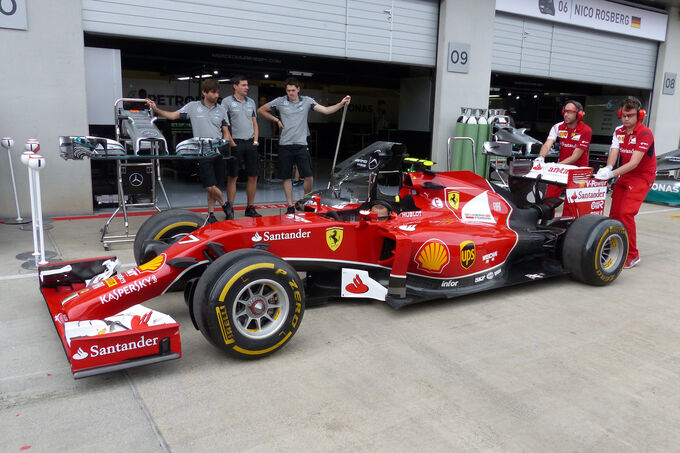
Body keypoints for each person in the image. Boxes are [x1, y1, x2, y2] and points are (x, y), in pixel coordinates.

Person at [258, 77, 350, 214]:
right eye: (288, 90)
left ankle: (306, 200)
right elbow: (261, 110)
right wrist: (276, 119)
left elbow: (325, 110)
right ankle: (290, 205)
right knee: (286, 177)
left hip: (301, 144)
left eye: (293, 90)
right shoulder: (280, 101)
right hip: (285, 144)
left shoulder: (307, 101)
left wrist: (341, 104)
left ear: (298, 89)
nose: (291, 93)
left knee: (308, 176)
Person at [147, 78, 234, 223]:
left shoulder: (222, 110)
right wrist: (156, 110)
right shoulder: (193, 107)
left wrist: (226, 144)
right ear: (204, 92)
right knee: (209, 185)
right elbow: (173, 116)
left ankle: (211, 214)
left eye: (218, 92)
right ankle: (226, 205)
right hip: (201, 151)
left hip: (218, 152)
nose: (216, 95)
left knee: (214, 185)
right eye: (213, 92)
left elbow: (226, 131)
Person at [595, 97, 656, 269]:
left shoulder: (645, 133)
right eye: (624, 115)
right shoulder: (618, 131)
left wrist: (611, 174)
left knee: (626, 213)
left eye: (630, 115)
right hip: (626, 174)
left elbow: (634, 162)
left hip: (642, 176)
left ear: (640, 115)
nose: (626, 118)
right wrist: (608, 167)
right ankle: (615, 246)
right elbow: (615, 151)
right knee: (614, 213)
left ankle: (632, 255)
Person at [534, 100, 592, 216]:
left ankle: (570, 228)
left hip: (578, 170)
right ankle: (548, 223)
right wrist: (540, 157)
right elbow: (548, 143)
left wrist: (556, 165)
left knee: (571, 204)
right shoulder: (558, 127)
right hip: (561, 168)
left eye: (570, 112)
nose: (566, 114)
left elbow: (576, 156)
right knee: (549, 199)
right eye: (565, 111)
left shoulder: (586, 131)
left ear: (579, 114)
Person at [221, 75, 261, 218]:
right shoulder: (226, 102)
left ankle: (250, 207)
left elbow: (254, 122)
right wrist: (232, 142)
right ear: (235, 86)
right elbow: (224, 124)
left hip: (250, 142)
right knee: (233, 176)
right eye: (243, 85)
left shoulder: (251, 102)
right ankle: (230, 208)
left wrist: (255, 141)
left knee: (253, 175)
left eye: (247, 85)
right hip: (235, 143)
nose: (247, 88)